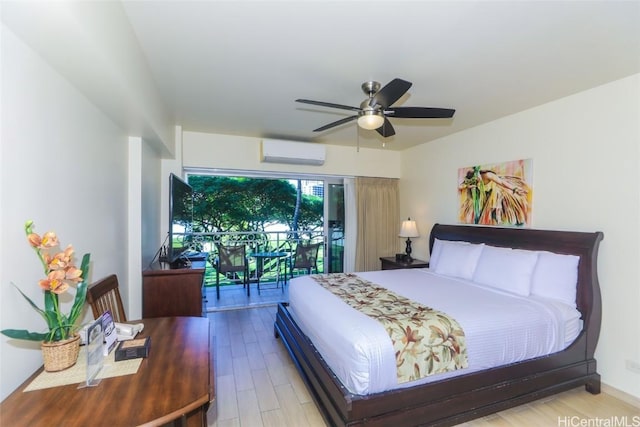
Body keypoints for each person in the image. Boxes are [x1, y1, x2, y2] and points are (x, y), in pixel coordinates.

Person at [458, 166, 530, 225]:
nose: (477, 181)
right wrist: (468, 186)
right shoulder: (471, 180)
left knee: (498, 207)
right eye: (475, 181)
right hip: (485, 195)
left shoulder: (487, 175)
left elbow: (501, 182)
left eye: (477, 179)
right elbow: (461, 186)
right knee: (483, 212)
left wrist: (515, 189)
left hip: (496, 191)